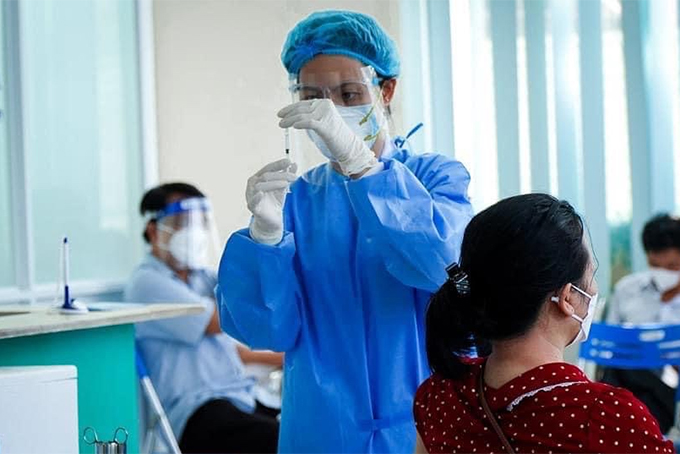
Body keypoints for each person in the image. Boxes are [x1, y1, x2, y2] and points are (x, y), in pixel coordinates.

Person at [215, 10, 473, 453]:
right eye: (313, 97)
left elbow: (440, 266)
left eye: (349, 93)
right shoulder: (296, 200)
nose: (329, 113)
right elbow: (267, 332)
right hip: (321, 430)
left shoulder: (436, 177)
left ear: (386, 90)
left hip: (422, 425)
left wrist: (363, 168)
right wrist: (264, 238)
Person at [414, 194, 675, 454]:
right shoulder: (606, 417)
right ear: (567, 298)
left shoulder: (439, 395)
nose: (594, 288)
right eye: (591, 274)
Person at [124, 183, 282, 454]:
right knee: (281, 441)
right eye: (181, 223)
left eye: (197, 223)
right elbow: (222, 319)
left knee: (308, 428)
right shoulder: (146, 283)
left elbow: (232, 343)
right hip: (196, 411)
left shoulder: (201, 278)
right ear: (153, 230)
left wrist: (284, 359)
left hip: (238, 396)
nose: (192, 233)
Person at [603, 213, 680, 434]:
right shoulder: (627, 290)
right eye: (655, 265)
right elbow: (608, 347)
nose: (663, 273)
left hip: (671, 388)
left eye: (672, 266)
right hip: (628, 381)